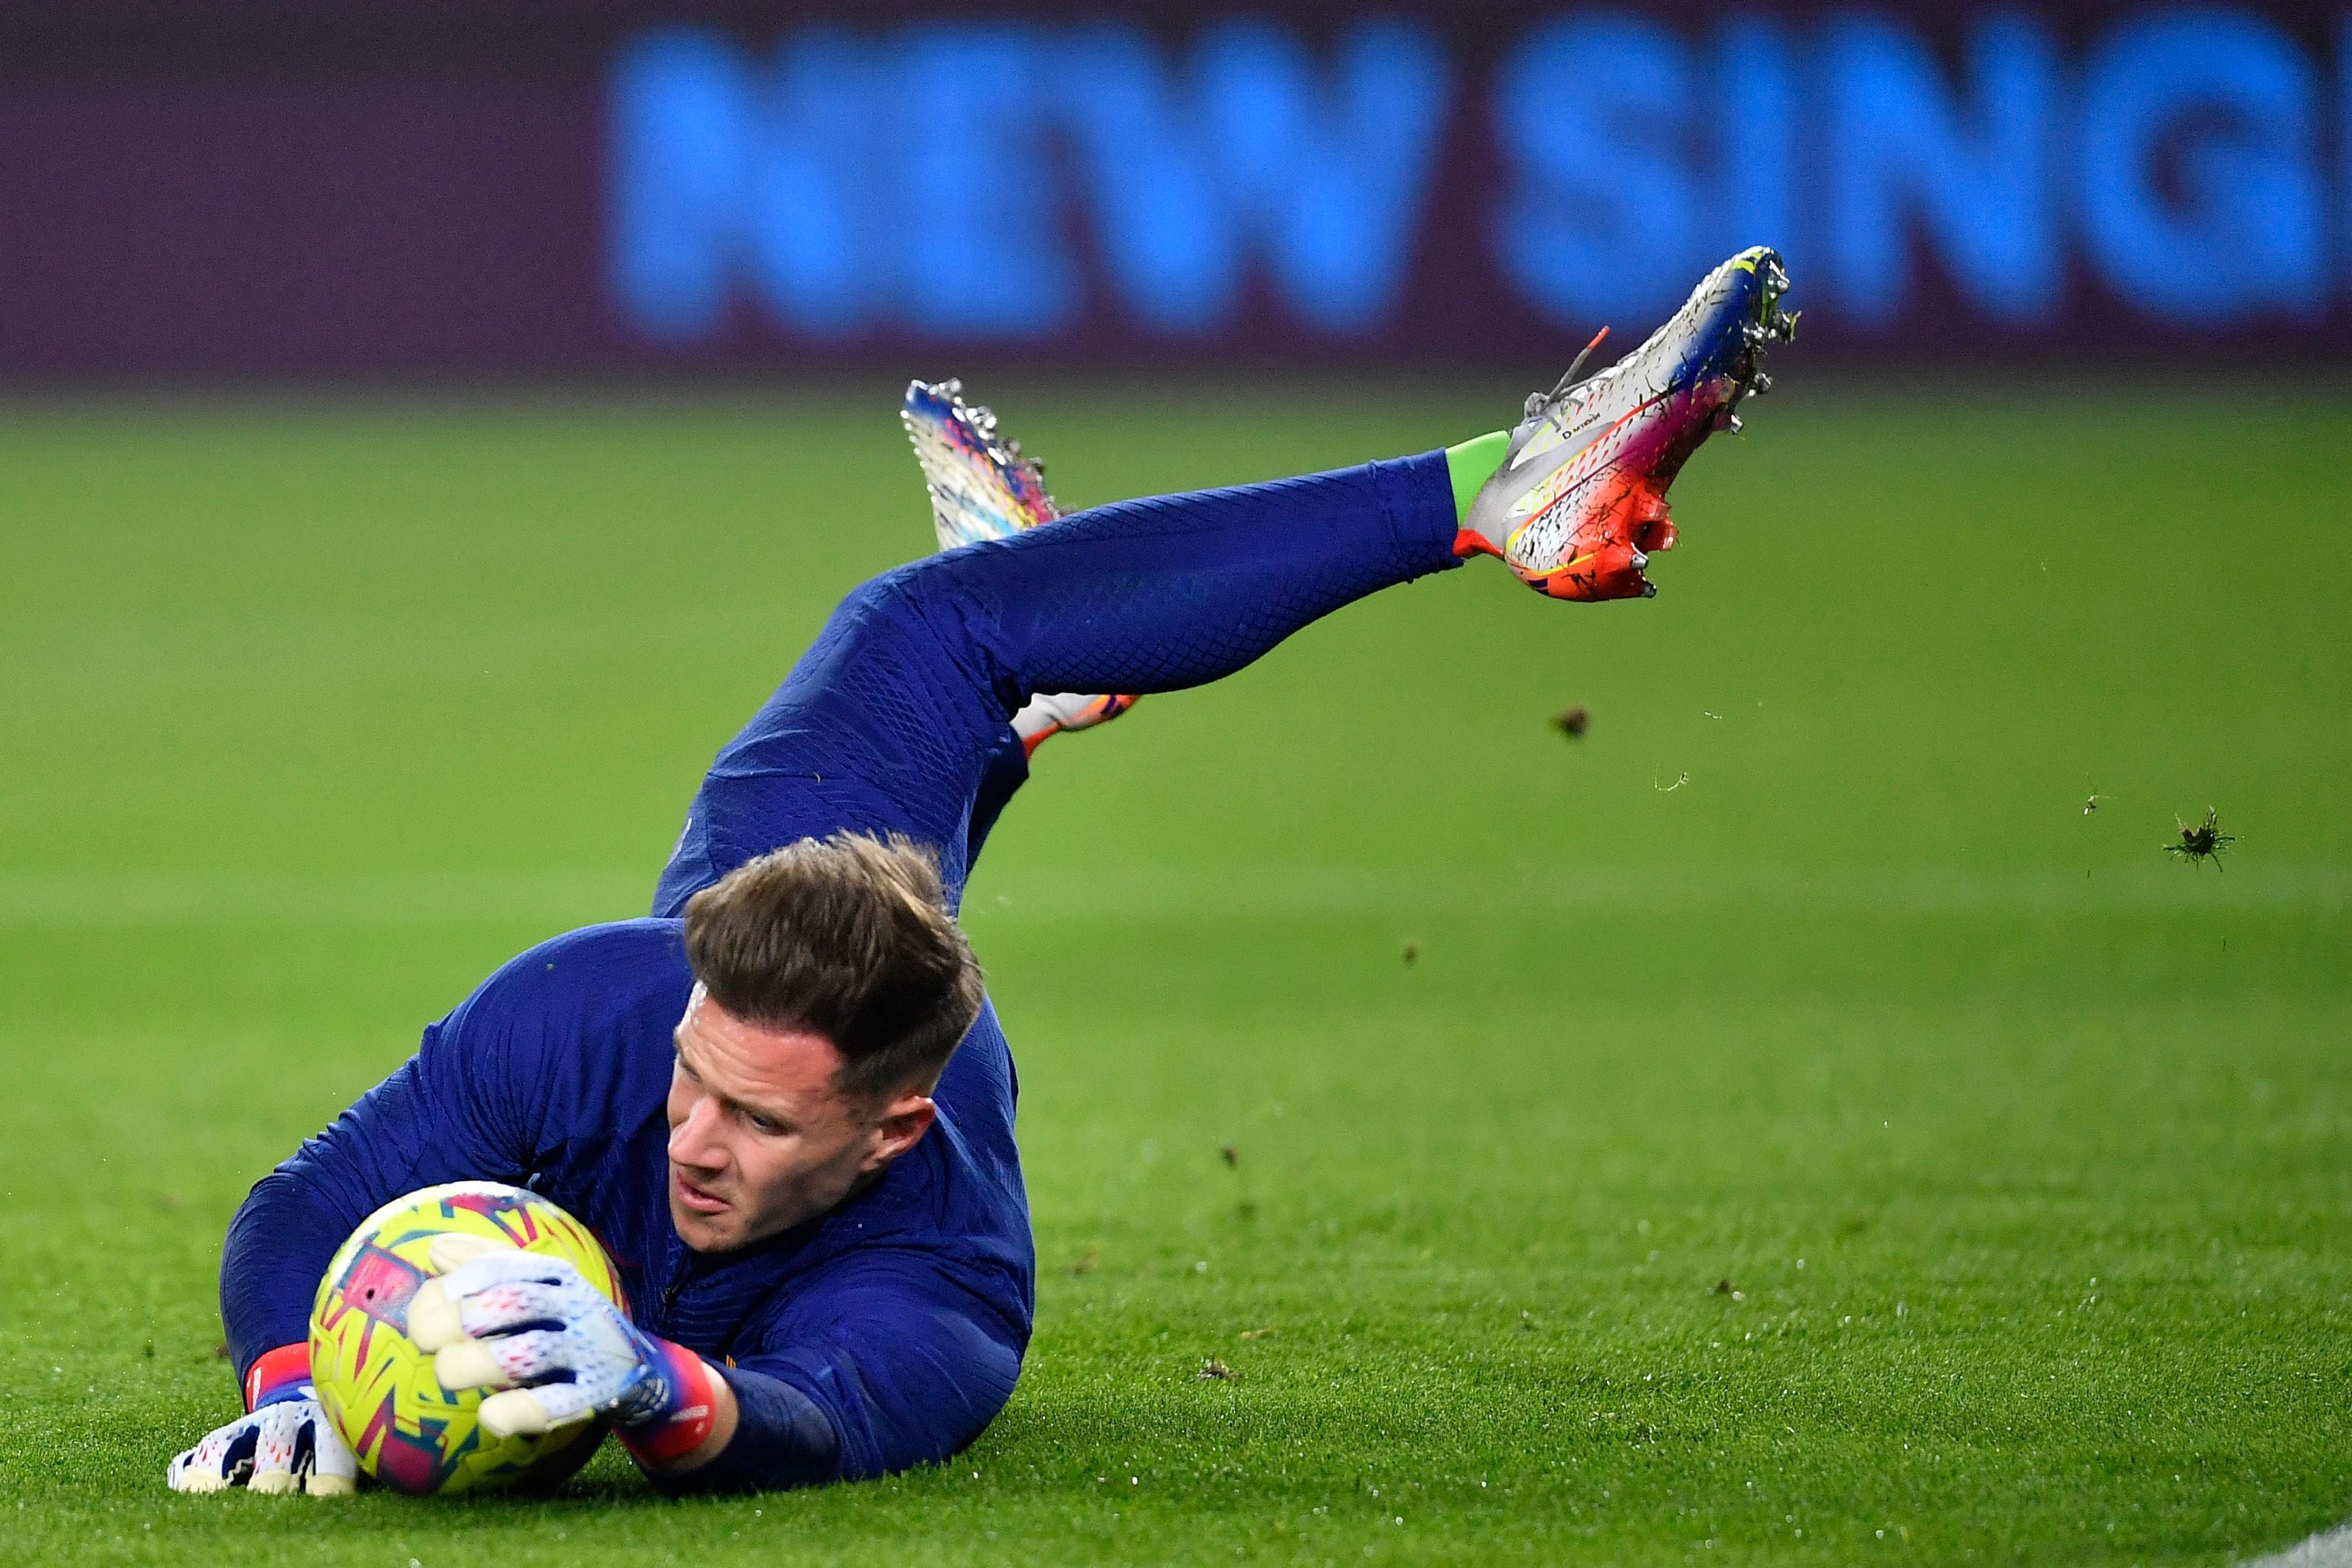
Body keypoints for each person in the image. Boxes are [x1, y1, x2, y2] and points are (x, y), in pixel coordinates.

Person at [167, 248, 1795, 1497]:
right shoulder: (615, 1004)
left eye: (755, 1117)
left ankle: (1488, 501)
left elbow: (815, 1418)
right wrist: (295, 1384)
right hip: (760, 920)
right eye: (695, 1084)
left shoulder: (949, 1274)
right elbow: (303, 1205)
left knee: (925, 631)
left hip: (854, 1166)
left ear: (894, 1129)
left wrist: (663, 1386)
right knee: (928, 643)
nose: (693, 1138)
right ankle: (1073, 652)